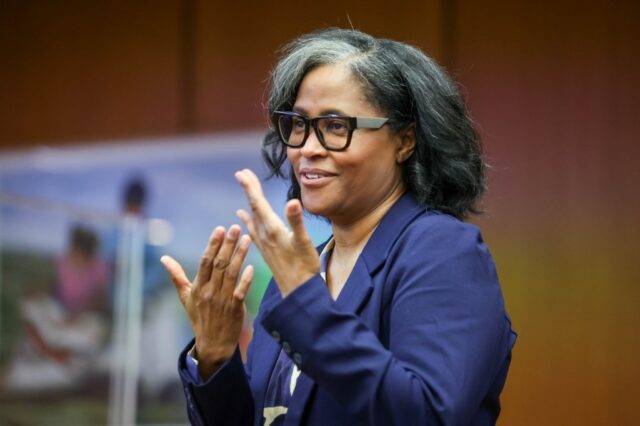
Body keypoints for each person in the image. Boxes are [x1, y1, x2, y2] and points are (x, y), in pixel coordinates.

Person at [161, 28, 517, 425]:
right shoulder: (295, 277)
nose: (307, 148)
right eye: (298, 124)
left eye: (335, 126)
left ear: (405, 141)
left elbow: (427, 416)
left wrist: (305, 305)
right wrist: (214, 355)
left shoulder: (442, 251)